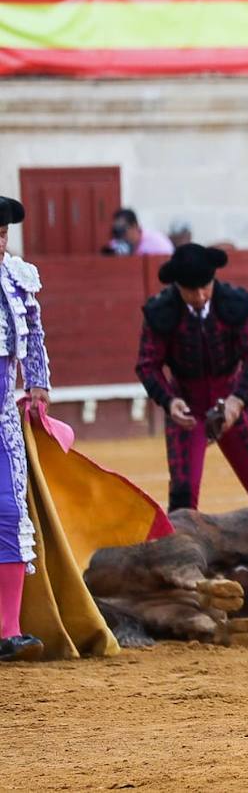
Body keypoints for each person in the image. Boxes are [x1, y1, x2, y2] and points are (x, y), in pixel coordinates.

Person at [135, 244, 248, 513]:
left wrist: (238, 400)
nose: (200, 296)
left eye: (205, 287)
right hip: (187, 409)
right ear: (177, 286)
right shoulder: (161, 311)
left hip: (231, 403)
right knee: (183, 502)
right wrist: (169, 402)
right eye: (190, 290)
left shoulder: (236, 303)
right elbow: (147, 366)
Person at [0, 197, 53, 663]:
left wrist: (37, 383)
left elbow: (33, 333)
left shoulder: (17, 277)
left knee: (11, 515)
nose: (0, 244)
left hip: (2, 420)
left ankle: (9, 630)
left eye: (3, 235)